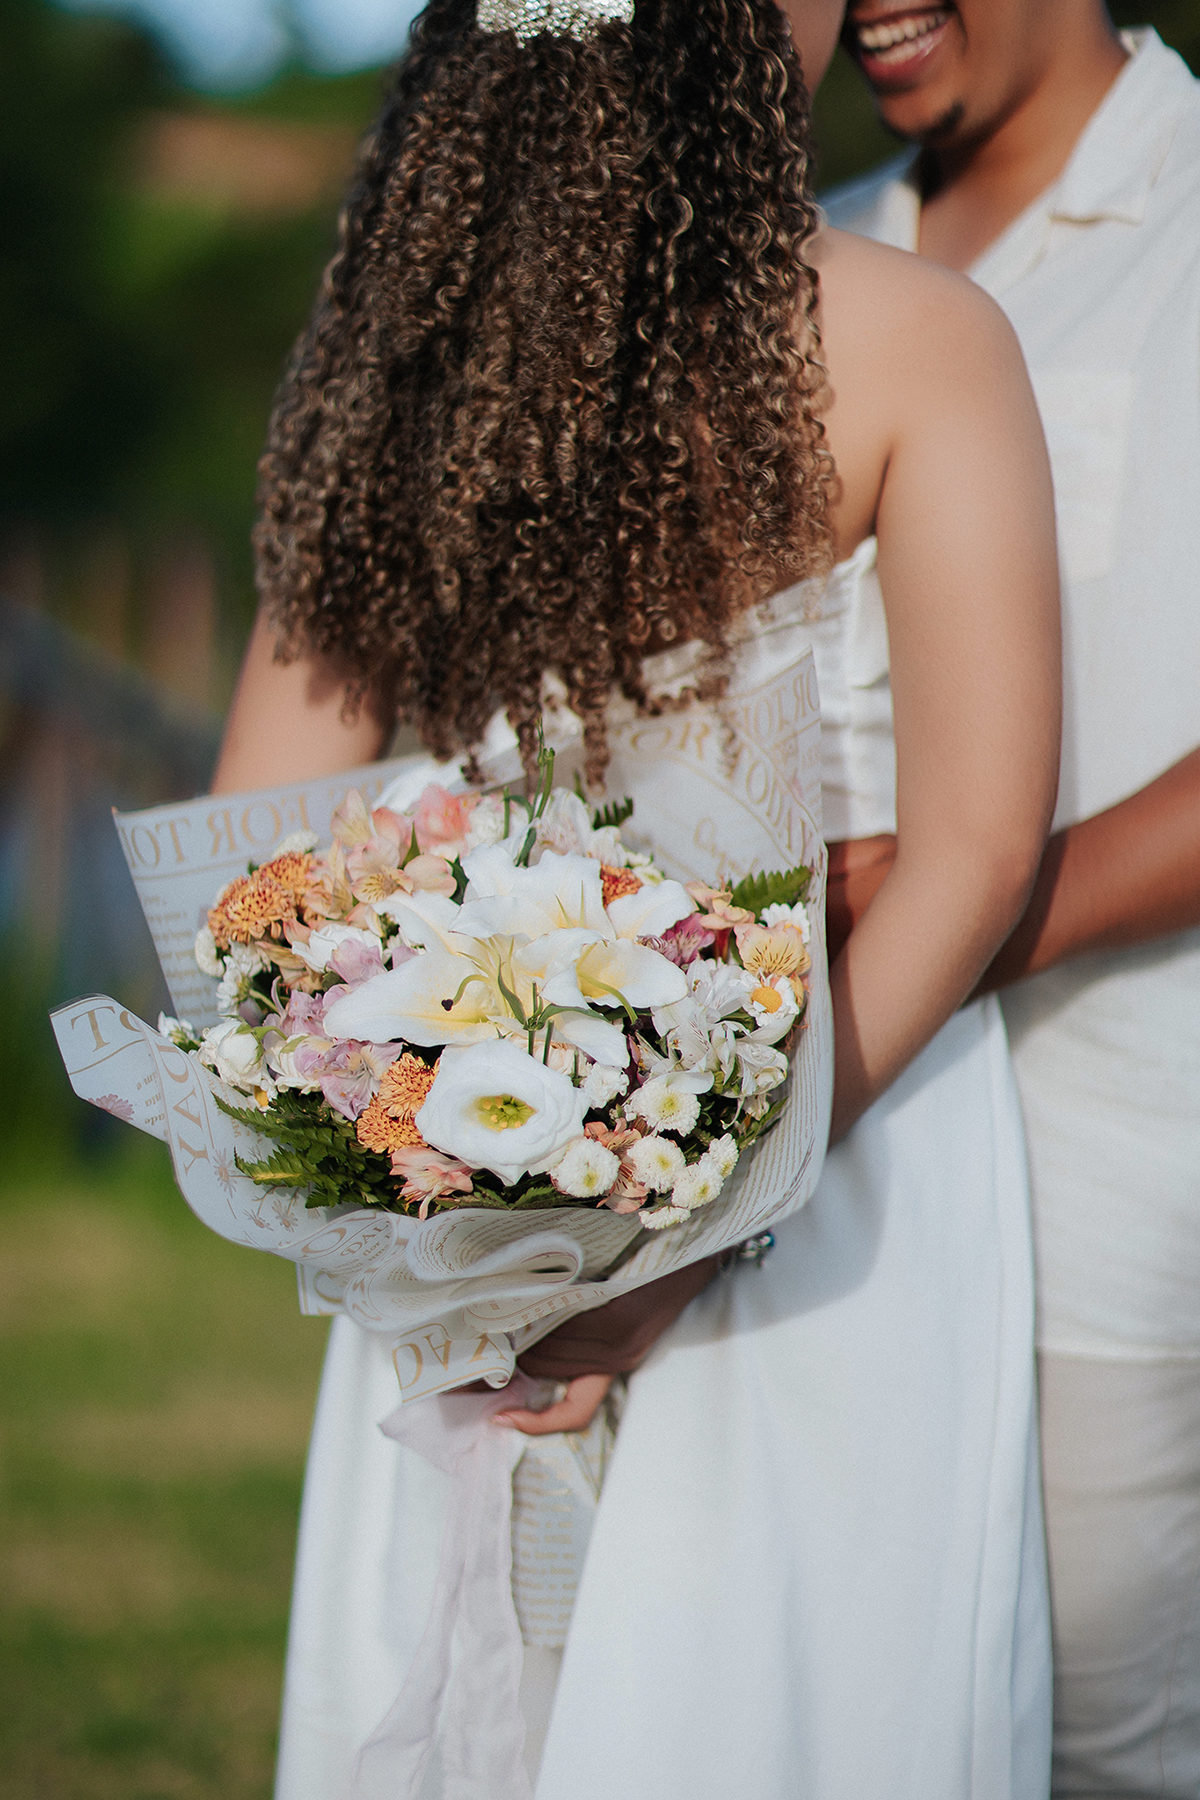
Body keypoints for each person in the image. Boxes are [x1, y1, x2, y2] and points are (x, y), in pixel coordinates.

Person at [211, 0, 1062, 1792]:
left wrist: (450, 1185)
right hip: (844, 1174)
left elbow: (254, 859)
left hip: (465, 1216)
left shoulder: (394, 371)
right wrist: (694, 1226)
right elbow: (980, 854)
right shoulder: (915, 339)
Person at [825, 5, 1200, 1792]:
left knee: (1103, 1746)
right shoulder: (820, 244)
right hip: (832, 1175)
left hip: (1116, 1161)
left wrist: (957, 907)